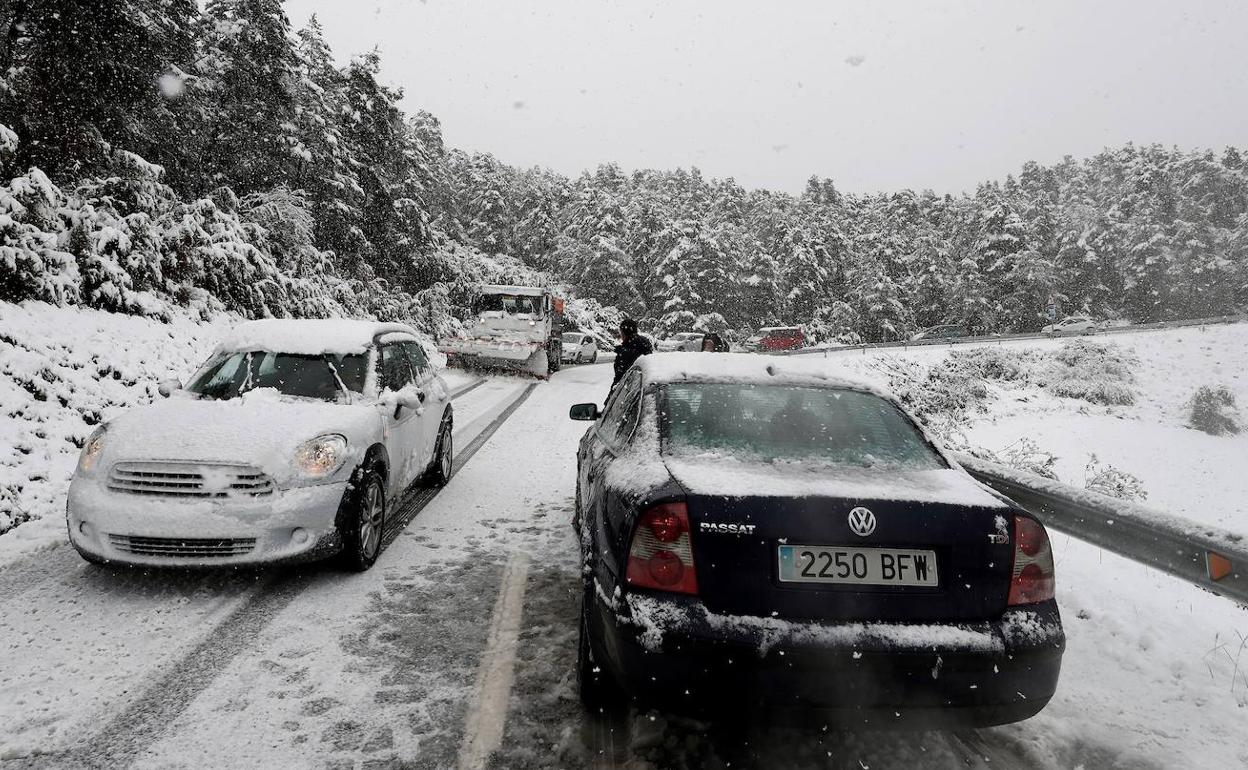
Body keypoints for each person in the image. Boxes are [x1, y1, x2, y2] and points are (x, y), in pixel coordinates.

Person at [611, 318, 652, 388]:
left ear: (624, 333)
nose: (621, 335)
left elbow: (620, 378)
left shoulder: (625, 351)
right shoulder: (644, 346)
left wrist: (612, 395)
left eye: (621, 332)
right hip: (643, 387)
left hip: (630, 390)